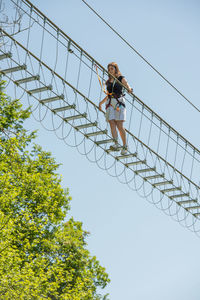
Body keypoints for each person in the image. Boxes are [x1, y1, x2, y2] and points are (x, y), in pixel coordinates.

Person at [99, 62, 132, 155]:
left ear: (115, 69)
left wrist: (129, 89)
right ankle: (116, 143)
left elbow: (126, 84)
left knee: (119, 125)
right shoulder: (108, 82)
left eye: (112, 69)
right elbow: (108, 94)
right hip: (110, 102)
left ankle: (125, 145)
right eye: (109, 69)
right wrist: (101, 103)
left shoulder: (120, 78)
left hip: (118, 102)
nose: (110, 71)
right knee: (111, 122)